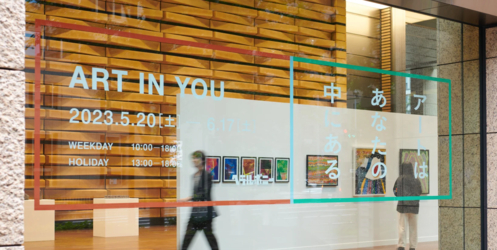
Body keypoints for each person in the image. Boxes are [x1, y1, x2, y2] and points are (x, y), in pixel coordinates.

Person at [180, 150, 219, 250]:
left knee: (211, 240)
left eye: (196, 158)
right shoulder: (194, 176)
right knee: (187, 240)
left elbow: (205, 194)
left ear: (202, 160)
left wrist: (189, 198)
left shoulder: (207, 175)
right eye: (193, 158)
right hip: (196, 213)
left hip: (205, 214)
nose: (194, 160)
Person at [393, 162, 422, 250]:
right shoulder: (416, 180)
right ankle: (413, 246)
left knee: (402, 227)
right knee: (413, 228)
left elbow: (395, 191)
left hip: (402, 206)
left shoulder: (399, 179)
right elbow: (420, 191)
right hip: (414, 206)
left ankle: (401, 245)